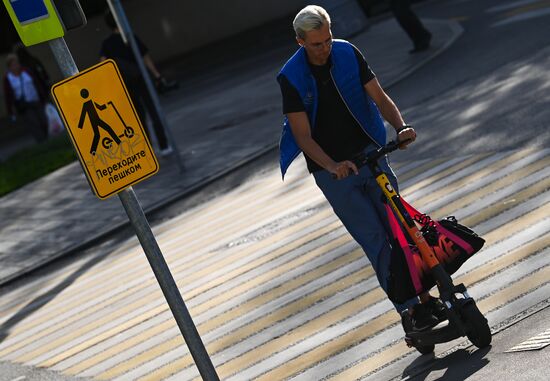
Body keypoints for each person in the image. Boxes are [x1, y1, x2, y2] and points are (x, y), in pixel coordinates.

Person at [277, 5, 445, 331]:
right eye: (315, 44)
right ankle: (410, 311)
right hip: (334, 174)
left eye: (326, 39)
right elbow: (302, 136)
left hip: (370, 153)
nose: (324, 48)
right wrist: (332, 165)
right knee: (376, 242)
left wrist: (401, 127)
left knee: (403, 230)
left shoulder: (347, 53)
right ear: (300, 42)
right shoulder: (291, 77)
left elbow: (380, 98)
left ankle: (428, 300)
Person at [99, 11, 173, 155]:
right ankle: (164, 147)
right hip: (142, 79)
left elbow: (103, 63)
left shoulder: (107, 43)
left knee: (138, 116)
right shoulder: (130, 37)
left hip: (125, 84)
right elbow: (145, 58)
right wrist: (157, 75)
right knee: (153, 112)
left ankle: (147, 148)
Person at [3, 54, 48, 142]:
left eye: (17, 63)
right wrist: (10, 112)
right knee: (34, 123)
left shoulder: (26, 71)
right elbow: (8, 96)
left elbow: (37, 83)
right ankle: (41, 141)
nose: (16, 66)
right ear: (9, 67)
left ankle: (46, 138)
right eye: (13, 65)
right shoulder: (8, 78)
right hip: (25, 105)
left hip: (36, 100)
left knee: (44, 120)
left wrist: (43, 97)